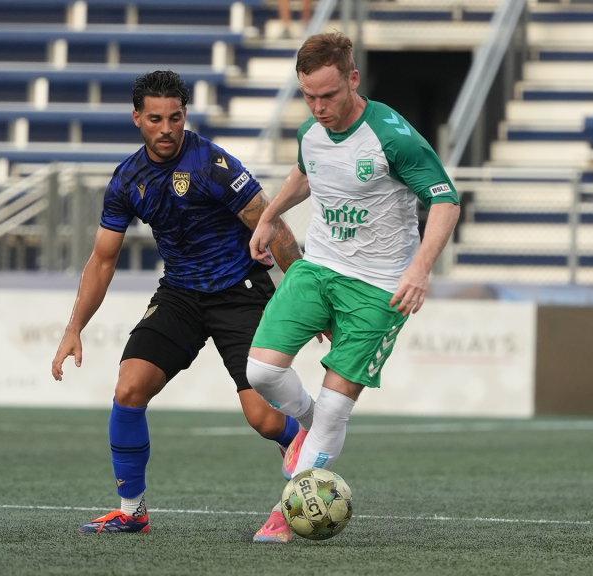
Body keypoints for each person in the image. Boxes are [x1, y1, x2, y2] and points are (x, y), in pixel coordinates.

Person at [50, 70, 307, 534]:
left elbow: (274, 227)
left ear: (185, 115)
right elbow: (102, 260)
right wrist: (74, 327)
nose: (166, 128)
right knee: (129, 388)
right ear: (136, 119)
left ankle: (303, 443)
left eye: (175, 117)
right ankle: (132, 513)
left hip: (240, 290)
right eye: (155, 119)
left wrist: (311, 296)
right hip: (182, 292)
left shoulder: (214, 165)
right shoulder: (128, 179)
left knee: (265, 419)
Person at [242, 32, 460, 543]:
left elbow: (446, 199)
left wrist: (420, 267)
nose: (319, 107)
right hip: (319, 267)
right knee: (261, 372)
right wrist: (270, 216)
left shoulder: (393, 136)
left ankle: (288, 512)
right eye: (309, 96)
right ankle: (308, 431)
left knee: (337, 407)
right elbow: (306, 173)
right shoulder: (310, 133)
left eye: (329, 95)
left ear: (352, 79)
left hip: (381, 286)